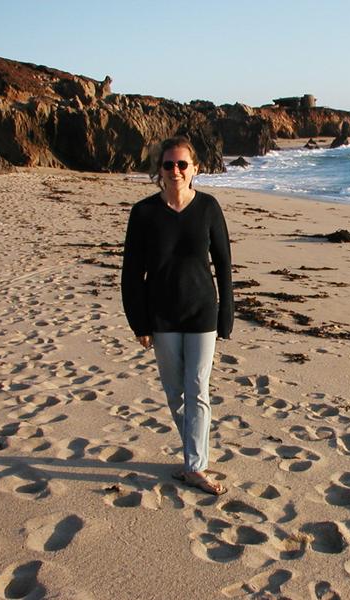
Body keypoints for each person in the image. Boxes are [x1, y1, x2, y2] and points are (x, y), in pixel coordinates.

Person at [121, 136, 233, 495]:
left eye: (183, 164)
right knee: (175, 394)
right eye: (169, 165)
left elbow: (224, 265)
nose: (176, 171)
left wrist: (226, 313)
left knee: (198, 388)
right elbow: (131, 273)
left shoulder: (209, 208)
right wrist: (138, 321)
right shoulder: (144, 213)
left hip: (202, 311)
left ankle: (195, 466)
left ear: (195, 169)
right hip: (162, 316)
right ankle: (194, 457)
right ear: (159, 170)